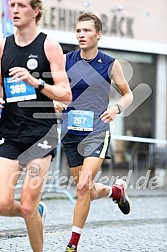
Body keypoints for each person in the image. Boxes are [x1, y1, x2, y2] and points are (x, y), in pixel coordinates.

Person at [0, 0, 71, 252]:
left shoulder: (49, 45)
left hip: (42, 134)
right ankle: (37, 212)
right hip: (10, 133)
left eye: (21, 5)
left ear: (36, 10)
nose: (15, 10)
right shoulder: (3, 45)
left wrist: (36, 82)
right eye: (13, 5)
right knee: (2, 204)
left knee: (27, 205)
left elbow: (66, 94)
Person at [61, 12, 133, 252]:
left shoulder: (110, 64)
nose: (81, 35)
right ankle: (115, 190)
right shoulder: (65, 59)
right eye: (79, 31)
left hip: (96, 132)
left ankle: (72, 245)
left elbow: (128, 94)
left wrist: (116, 108)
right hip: (71, 133)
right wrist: (55, 101)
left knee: (82, 187)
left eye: (87, 31)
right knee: (88, 191)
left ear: (98, 34)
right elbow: (55, 90)